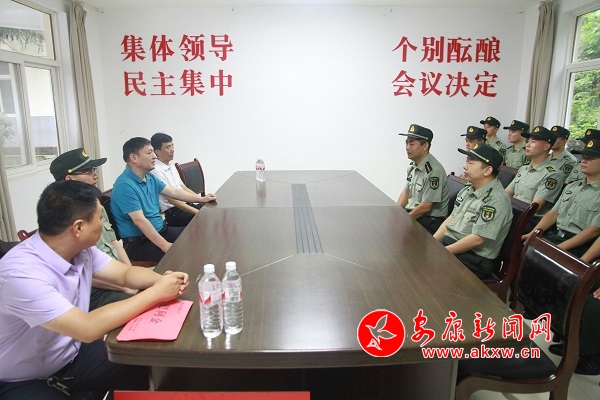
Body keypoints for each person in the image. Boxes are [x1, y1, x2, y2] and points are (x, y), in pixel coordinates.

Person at [0, 180, 189, 399]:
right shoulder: (21, 274)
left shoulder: (80, 249)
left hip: (69, 354)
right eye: (100, 218)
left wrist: (163, 281)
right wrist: (156, 293)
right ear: (79, 227)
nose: (103, 224)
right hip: (21, 379)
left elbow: (125, 274)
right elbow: (87, 328)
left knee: (151, 365)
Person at [50, 148, 136, 309]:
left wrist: (130, 274)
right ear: (69, 179)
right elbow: (79, 273)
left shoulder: (96, 205)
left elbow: (113, 242)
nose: (95, 176)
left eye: (94, 170)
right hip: (94, 289)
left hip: (116, 274)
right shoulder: (62, 219)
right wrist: (124, 287)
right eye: (89, 171)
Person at [111, 137, 217, 263]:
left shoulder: (148, 177)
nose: (154, 156)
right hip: (140, 243)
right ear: (134, 158)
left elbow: (173, 192)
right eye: (149, 152)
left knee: (202, 234)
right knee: (186, 254)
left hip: (162, 231)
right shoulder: (125, 185)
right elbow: (139, 220)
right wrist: (164, 245)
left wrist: (202, 199)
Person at [434, 143, 512, 279]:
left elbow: (477, 239)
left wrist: (443, 252)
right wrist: (433, 242)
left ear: (487, 170)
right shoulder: (468, 189)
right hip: (453, 246)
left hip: (474, 259)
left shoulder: (496, 200)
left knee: (427, 269)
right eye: (466, 161)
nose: (465, 166)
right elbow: (451, 218)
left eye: (471, 163)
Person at [522, 138, 600, 258]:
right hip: (554, 235)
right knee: (522, 248)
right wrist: (532, 234)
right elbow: (553, 213)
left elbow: (594, 230)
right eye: (584, 156)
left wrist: (559, 248)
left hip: (578, 244)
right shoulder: (573, 186)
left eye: (591, 158)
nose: (584, 160)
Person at [150, 133, 215, 227]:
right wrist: (197, 212)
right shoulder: (156, 170)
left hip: (186, 206)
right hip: (175, 213)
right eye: (168, 147)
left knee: (213, 207)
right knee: (209, 218)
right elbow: (171, 200)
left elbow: (184, 188)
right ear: (157, 151)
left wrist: (203, 200)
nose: (172, 150)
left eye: (172, 145)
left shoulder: (170, 166)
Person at [505, 126, 563, 226]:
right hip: (511, 212)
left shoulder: (552, 174)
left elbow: (534, 207)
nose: (527, 145)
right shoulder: (524, 169)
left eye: (533, 142)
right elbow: (507, 192)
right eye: (528, 141)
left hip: (528, 220)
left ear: (546, 147)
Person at [397, 124, 449, 234]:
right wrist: (397, 212)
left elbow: (426, 207)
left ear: (425, 146)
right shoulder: (413, 166)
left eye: (412, 144)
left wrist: (404, 220)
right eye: (406, 143)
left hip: (429, 221)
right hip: (414, 214)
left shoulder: (434, 171)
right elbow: (406, 193)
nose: (407, 147)